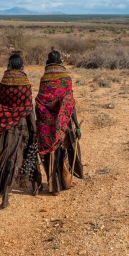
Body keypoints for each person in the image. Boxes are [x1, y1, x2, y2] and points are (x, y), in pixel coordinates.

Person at [0, 53, 42, 208]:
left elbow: (3, 103)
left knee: (8, 159)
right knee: (30, 153)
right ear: (22, 66)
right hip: (23, 124)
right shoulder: (25, 82)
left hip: (8, 125)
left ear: (9, 65)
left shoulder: (4, 81)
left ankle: (5, 197)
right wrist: (35, 128)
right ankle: (36, 187)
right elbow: (28, 107)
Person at [35, 50, 83, 196]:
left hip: (46, 122)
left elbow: (40, 102)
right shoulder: (66, 79)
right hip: (63, 123)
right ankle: (64, 182)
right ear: (61, 61)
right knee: (64, 151)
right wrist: (77, 126)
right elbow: (70, 104)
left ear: (48, 62)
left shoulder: (44, 79)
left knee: (50, 153)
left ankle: (54, 186)